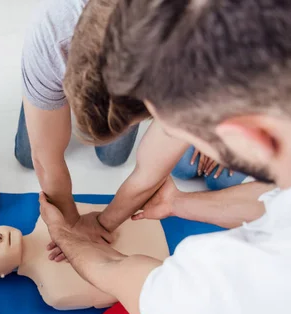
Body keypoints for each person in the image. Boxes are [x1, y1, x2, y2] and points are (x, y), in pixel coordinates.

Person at [39, 0, 291, 314]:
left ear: (244, 136)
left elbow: (117, 273)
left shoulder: (227, 286)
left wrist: (65, 232)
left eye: (184, 135)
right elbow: (277, 200)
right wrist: (179, 204)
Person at [21, 0, 244, 263]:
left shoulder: (202, 47)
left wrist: (105, 224)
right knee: (26, 154)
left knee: (113, 156)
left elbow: (150, 170)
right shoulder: (51, 32)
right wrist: (71, 226)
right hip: (57, 57)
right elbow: (45, 158)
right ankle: (40, 94)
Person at [0, 203, 169, 310]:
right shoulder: (55, 294)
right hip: (162, 278)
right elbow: (115, 296)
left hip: (152, 223)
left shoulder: (51, 215)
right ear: (2, 273)